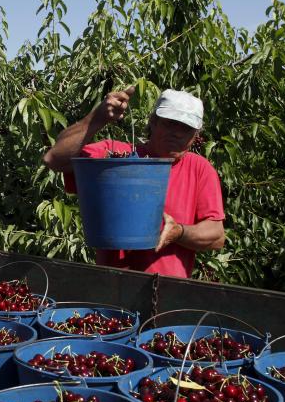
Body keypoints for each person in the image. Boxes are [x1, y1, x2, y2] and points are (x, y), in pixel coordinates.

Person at [43, 87, 225, 278]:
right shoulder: (116, 157)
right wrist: (96, 119)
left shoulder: (199, 169)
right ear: (153, 122)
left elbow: (216, 235)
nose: (177, 133)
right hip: (112, 285)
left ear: (196, 135)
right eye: (170, 124)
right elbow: (54, 159)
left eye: (186, 128)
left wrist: (179, 232)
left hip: (167, 291)